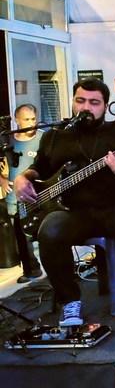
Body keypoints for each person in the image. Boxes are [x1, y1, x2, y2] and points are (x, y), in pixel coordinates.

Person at [13, 79, 115, 327]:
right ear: (73, 102)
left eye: (94, 102)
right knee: (49, 233)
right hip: (71, 212)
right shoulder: (54, 136)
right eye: (80, 101)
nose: (86, 107)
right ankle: (69, 300)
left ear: (105, 106)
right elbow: (39, 168)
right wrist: (22, 178)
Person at [0, 104, 43, 283]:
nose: (31, 123)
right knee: (21, 237)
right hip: (14, 198)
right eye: (26, 119)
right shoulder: (6, 140)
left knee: (43, 234)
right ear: (17, 120)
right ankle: (32, 270)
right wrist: (2, 180)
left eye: (33, 119)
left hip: (38, 196)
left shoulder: (43, 138)